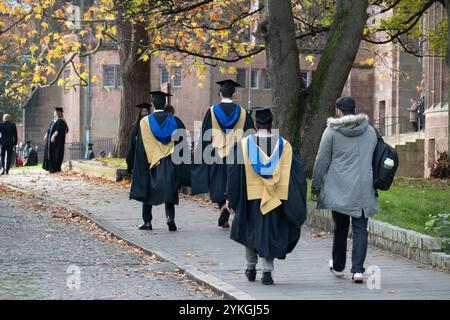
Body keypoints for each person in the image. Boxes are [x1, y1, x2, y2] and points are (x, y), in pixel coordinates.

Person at [227, 105, 307, 285]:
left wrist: (231, 197)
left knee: (250, 231)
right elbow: (297, 177)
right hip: (276, 198)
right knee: (269, 232)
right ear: (272, 124)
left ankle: (250, 266)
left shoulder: (244, 145)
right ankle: (268, 271)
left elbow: (233, 175)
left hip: (250, 197)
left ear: (255, 123)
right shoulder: (285, 146)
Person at [311, 96, 378, 284]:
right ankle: (358, 271)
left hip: (339, 188)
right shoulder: (370, 131)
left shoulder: (331, 132)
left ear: (339, 111)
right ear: (354, 109)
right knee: (360, 229)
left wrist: (315, 186)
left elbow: (321, 160)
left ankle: (339, 266)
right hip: (364, 187)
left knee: (340, 228)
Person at [191, 79, 255, 228]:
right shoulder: (243, 113)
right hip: (237, 154)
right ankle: (230, 205)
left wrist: (199, 152)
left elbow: (205, 133)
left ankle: (223, 208)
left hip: (216, 153)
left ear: (220, 93)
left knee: (218, 183)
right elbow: (250, 135)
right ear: (234, 93)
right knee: (235, 182)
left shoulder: (212, 111)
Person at [130, 91, 189, 231]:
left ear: (152, 103)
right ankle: (170, 218)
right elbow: (182, 144)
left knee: (148, 191)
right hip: (170, 162)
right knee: (170, 190)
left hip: (151, 163)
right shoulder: (175, 121)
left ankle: (147, 222)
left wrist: (138, 166)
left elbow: (140, 148)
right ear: (165, 103)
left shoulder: (144, 122)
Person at [126, 103, 151, 174]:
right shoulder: (137, 123)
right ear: (140, 113)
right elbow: (133, 136)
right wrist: (136, 138)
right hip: (139, 145)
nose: (145, 113)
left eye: (146, 111)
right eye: (143, 111)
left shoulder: (151, 121)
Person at [43, 107, 69, 173]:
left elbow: (59, 130)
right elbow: (49, 129)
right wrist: (46, 134)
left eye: (55, 112)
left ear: (59, 112)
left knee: (55, 154)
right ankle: (50, 168)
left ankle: (55, 169)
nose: (54, 113)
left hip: (57, 143)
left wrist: (53, 136)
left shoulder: (61, 121)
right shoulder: (54, 120)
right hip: (51, 142)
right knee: (50, 153)